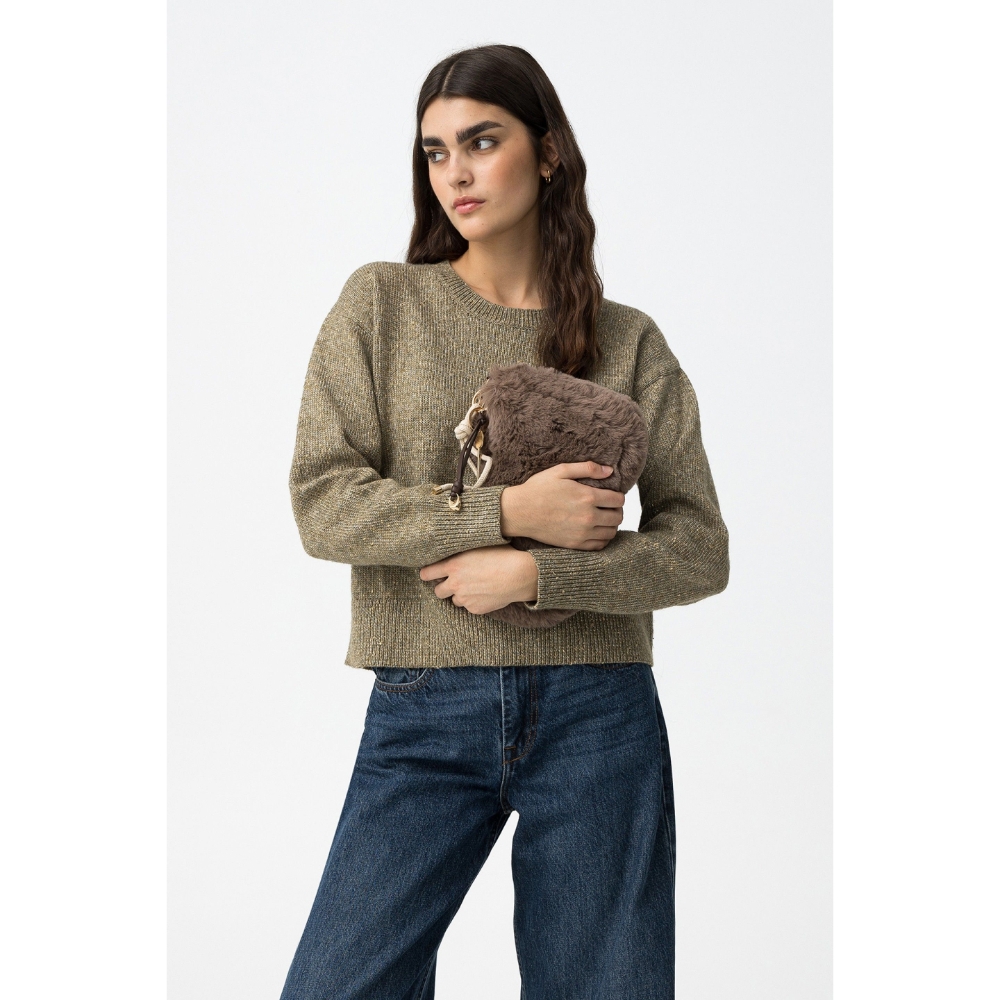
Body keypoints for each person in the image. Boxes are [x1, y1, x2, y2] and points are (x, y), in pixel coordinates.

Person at [279, 43, 728, 1000]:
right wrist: (507, 513)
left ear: (549, 152)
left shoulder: (627, 340)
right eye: (436, 152)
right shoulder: (384, 303)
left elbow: (699, 548)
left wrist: (540, 574)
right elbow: (323, 500)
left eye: (482, 142)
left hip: (599, 710)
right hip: (424, 703)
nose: (457, 173)